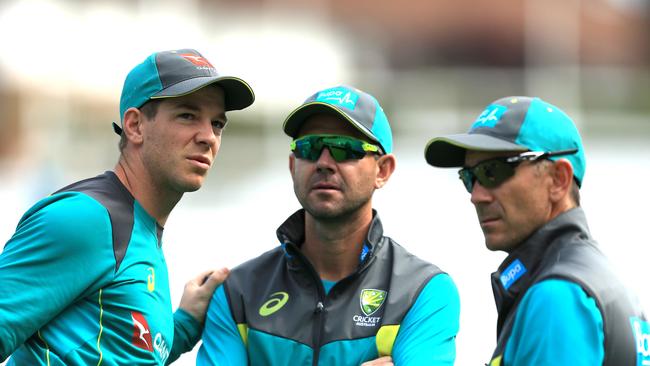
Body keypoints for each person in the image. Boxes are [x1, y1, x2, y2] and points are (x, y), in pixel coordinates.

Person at [0, 48, 255, 365]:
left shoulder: (143, 231)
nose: (208, 137)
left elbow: (122, 349)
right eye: (188, 115)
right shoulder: (88, 219)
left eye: (217, 123)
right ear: (135, 126)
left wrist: (186, 324)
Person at [197, 85, 460, 366]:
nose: (323, 162)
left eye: (344, 149)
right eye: (309, 148)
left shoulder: (422, 292)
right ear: (292, 166)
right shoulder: (236, 293)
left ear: (382, 171)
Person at [424, 96, 649, 365]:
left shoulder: (557, 295)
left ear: (558, 180)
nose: (476, 196)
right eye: (469, 178)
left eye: (492, 172)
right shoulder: (599, 279)